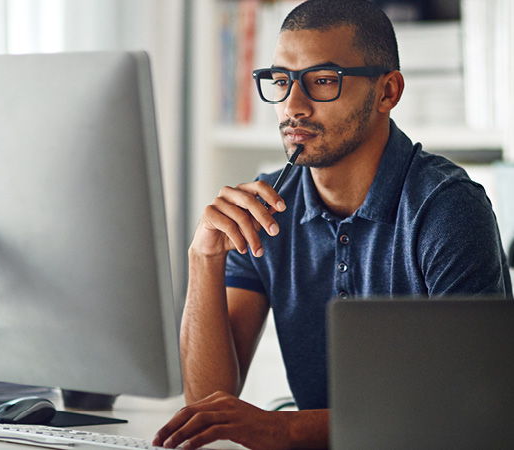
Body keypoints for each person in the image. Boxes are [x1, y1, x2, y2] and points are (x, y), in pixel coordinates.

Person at [153, 0, 513, 448]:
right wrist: (203, 256)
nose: (293, 106)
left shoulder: (447, 209)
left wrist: (283, 429)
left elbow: (470, 408)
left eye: (323, 81)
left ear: (387, 92)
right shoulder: (265, 208)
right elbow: (209, 403)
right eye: (281, 81)